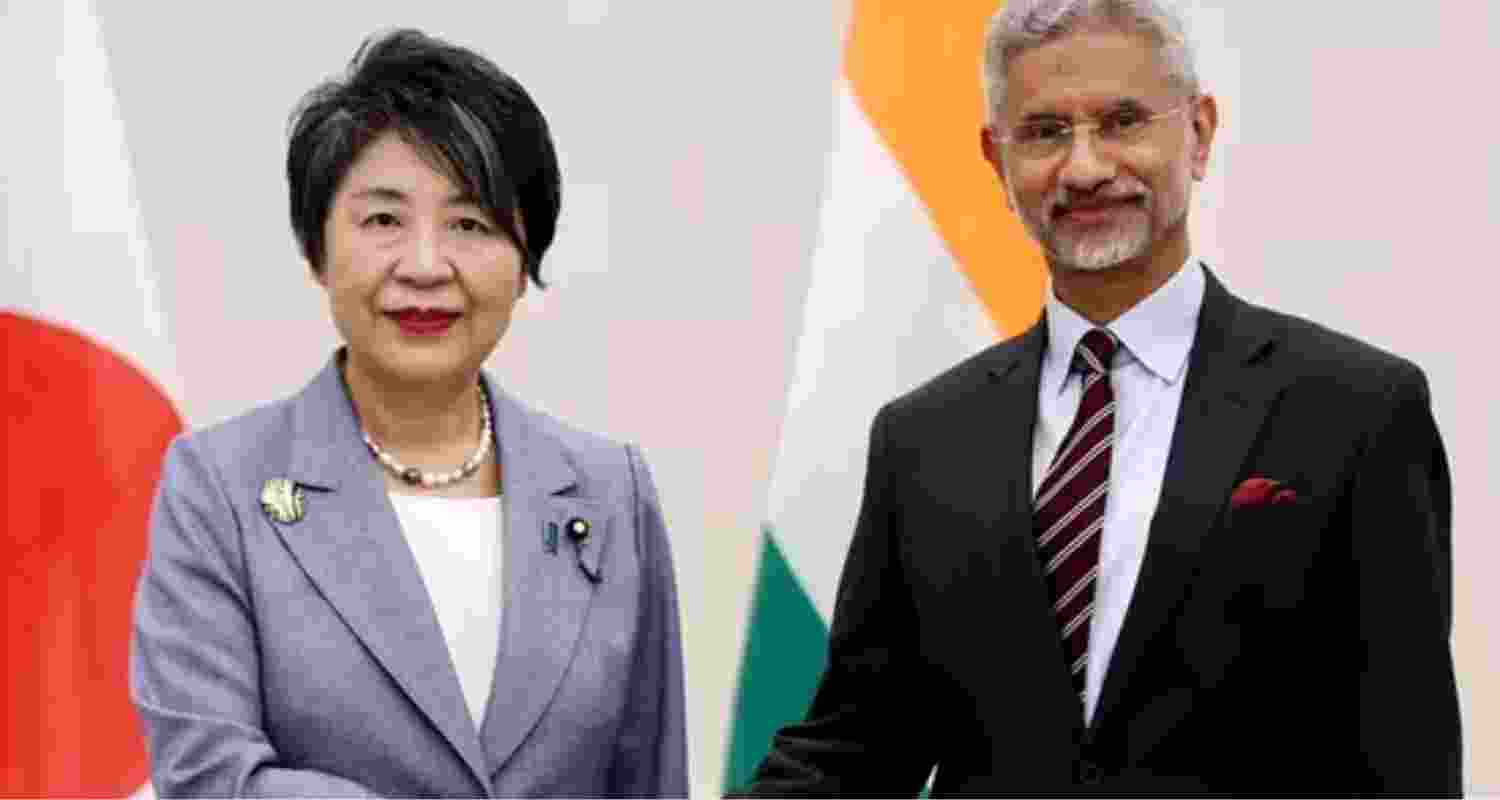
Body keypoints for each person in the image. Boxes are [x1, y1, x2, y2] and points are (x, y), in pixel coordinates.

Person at [736, 0, 1460, 795]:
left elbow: (1406, 757)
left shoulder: (1355, 410)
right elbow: (858, 744)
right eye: (1045, 131)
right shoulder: (923, 439)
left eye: (1122, 121)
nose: (1083, 168)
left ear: (1199, 133)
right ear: (996, 158)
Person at [130, 29, 687, 798]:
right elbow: (206, 776)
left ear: (525, 262)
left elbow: (651, 780)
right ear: (315, 248)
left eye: (471, 223)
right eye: (383, 220)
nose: (426, 266)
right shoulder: (220, 488)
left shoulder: (610, 490)